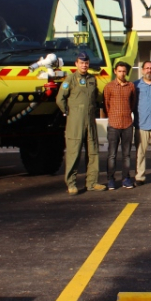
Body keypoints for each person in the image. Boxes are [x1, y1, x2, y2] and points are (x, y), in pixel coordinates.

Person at [56, 52, 106, 195]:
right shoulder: (70, 79)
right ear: (76, 64)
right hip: (75, 121)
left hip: (90, 121)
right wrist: (68, 112)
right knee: (74, 153)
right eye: (81, 62)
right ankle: (71, 183)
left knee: (93, 152)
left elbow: (94, 96)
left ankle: (92, 182)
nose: (84, 65)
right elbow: (60, 99)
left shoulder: (92, 79)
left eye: (86, 63)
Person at [103, 61, 136, 190]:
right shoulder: (109, 87)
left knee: (126, 154)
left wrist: (127, 113)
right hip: (113, 125)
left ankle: (126, 178)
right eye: (119, 71)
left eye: (124, 71)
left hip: (127, 124)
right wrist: (113, 116)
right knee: (112, 154)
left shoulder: (131, 86)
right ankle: (110, 179)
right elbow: (106, 105)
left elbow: (132, 103)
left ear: (126, 72)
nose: (122, 73)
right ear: (115, 71)